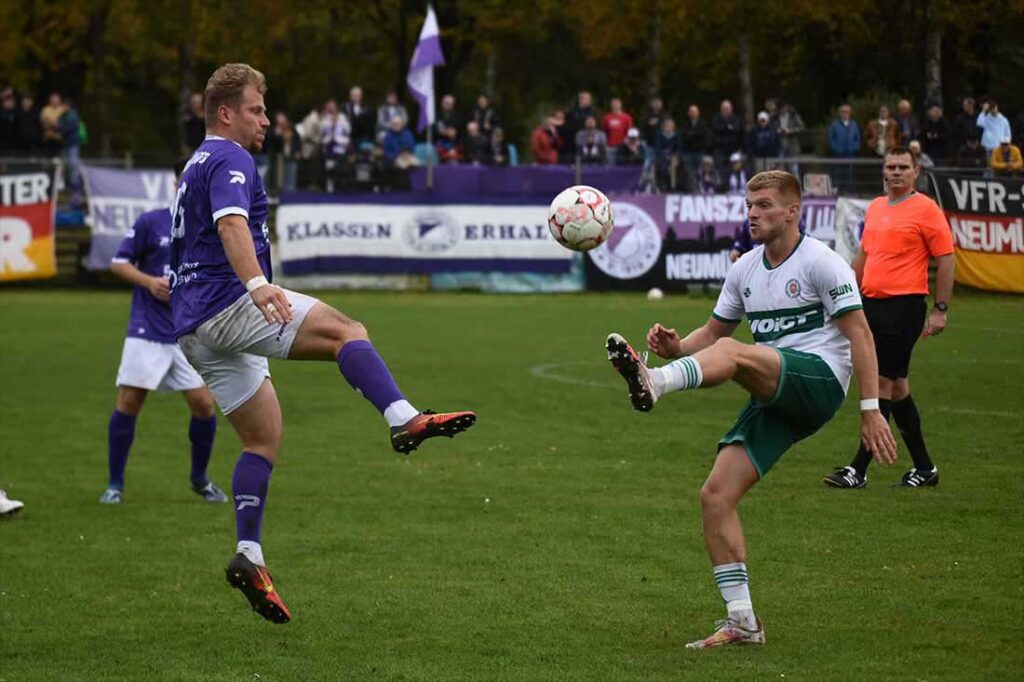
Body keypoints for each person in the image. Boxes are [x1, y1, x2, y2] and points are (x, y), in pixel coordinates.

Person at [171, 64, 476, 623]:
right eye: (258, 109)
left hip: (191, 327)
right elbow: (232, 226)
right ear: (225, 112)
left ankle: (249, 553)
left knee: (262, 441)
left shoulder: (194, 164)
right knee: (347, 332)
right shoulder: (230, 157)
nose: (266, 119)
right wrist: (259, 285)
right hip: (227, 302)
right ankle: (403, 417)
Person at [605, 170, 896, 649]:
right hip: (775, 389)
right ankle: (742, 622)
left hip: (819, 381)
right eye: (749, 205)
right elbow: (711, 335)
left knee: (738, 354)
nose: (753, 213)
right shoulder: (744, 269)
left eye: (763, 205)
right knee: (715, 496)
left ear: (791, 211)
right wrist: (677, 345)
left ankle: (654, 384)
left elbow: (860, 335)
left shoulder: (823, 263)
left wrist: (870, 408)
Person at [823, 146, 954, 489]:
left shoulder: (926, 209)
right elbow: (864, 253)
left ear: (915, 173)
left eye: (902, 167)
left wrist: (940, 309)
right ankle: (925, 469)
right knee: (897, 388)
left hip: (905, 307)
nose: (895, 172)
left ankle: (858, 469)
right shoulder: (878, 207)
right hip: (871, 304)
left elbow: (947, 258)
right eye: (890, 167)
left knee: (880, 383)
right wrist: (845, 293)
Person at [101, 159, 226, 505]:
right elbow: (118, 263)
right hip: (146, 329)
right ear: (176, 183)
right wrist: (149, 282)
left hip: (188, 330)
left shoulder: (210, 226)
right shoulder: (151, 221)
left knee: (204, 405)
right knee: (129, 401)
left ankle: (200, 480)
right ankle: (115, 484)